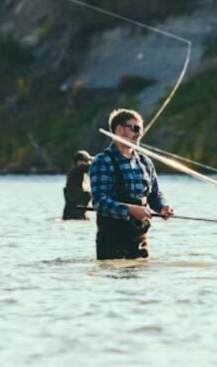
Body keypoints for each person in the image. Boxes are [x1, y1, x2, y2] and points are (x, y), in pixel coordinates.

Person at [89, 109, 174, 260]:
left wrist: (162, 207)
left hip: (141, 240)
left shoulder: (145, 162)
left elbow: (155, 194)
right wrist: (129, 210)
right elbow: (100, 202)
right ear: (119, 130)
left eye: (141, 129)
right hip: (112, 242)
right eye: (135, 128)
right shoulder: (102, 161)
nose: (139, 134)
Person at [62, 150, 93, 220]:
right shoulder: (78, 170)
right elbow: (93, 167)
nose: (88, 163)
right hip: (75, 211)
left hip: (73, 210)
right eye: (87, 161)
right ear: (80, 162)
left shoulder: (75, 172)